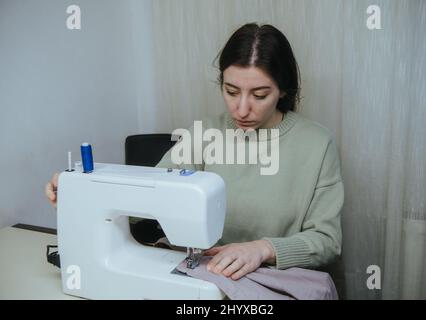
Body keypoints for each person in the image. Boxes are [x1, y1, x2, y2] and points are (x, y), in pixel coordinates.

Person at [45, 23, 344, 282]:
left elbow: (327, 241)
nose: (241, 109)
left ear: (283, 90)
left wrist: (262, 249)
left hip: (265, 281)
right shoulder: (204, 134)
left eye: (259, 95)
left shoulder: (317, 144)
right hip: (201, 273)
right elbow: (144, 196)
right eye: (230, 91)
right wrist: (81, 194)